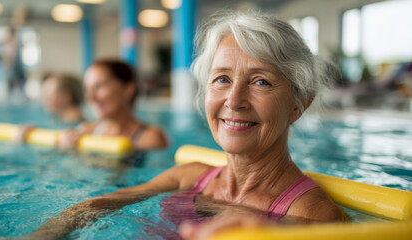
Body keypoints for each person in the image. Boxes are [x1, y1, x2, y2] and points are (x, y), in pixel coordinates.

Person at [27, 10, 348, 239]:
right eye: (221, 78)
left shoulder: (311, 215)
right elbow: (98, 204)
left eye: (261, 82)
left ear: (299, 103)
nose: (234, 100)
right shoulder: (188, 176)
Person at [16, 59, 168, 151]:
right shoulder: (86, 130)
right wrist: (31, 136)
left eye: (99, 87)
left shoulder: (149, 137)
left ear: (128, 88)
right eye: (87, 89)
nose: (90, 97)